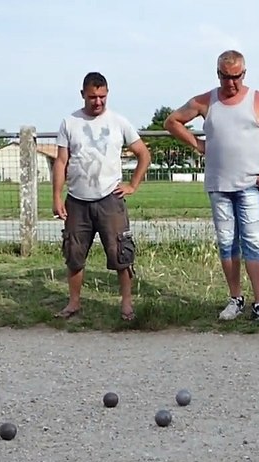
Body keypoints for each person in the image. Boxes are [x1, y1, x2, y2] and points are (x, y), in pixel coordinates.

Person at [165, 49, 259, 325]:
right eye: (225, 77)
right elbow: (172, 121)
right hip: (219, 186)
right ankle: (235, 298)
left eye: (236, 77)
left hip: (250, 185)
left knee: (253, 243)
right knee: (227, 243)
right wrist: (197, 144)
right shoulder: (206, 101)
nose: (230, 83)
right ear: (217, 73)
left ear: (244, 74)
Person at [52, 72, 151, 322]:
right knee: (74, 254)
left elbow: (143, 154)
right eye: (93, 97)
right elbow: (61, 161)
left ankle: (126, 304)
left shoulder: (119, 122)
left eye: (102, 96)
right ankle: (74, 303)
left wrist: (132, 185)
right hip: (77, 200)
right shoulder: (69, 123)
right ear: (83, 94)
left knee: (121, 253)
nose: (98, 101)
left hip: (110, 199)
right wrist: (56, 196)